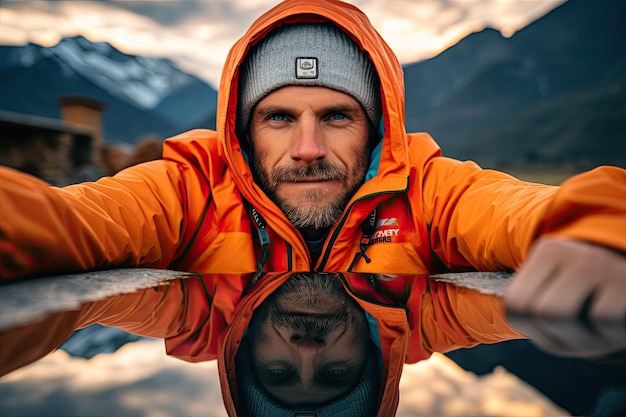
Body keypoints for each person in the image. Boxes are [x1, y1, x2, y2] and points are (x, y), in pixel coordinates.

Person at [0, 0, 625, 414]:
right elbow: (73, 222)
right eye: (278, 117)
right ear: (242, 132)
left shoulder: (427, 189)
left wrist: (595, 234)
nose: (306, 149)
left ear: (377, 131)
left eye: (336, 116)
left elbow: (518, 211)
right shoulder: (191, 188)